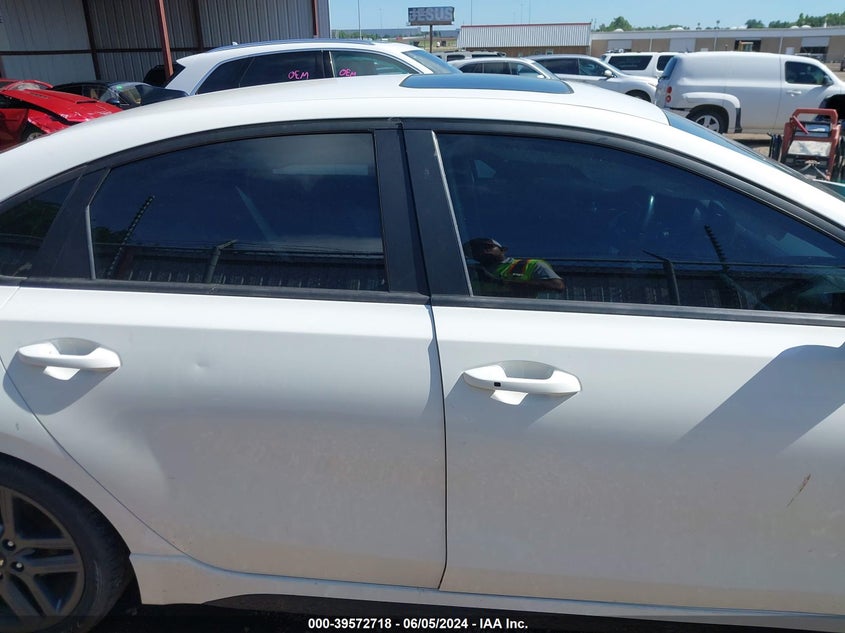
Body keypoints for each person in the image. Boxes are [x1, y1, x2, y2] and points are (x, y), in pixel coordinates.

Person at [463, 237, 564, 298]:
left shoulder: (530, 265)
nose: (483, 250)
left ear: (503, 250)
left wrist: (499, 282)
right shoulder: (466, 273)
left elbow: (557, 286)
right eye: (475, 250)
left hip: (519, 314)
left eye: (488, 246)